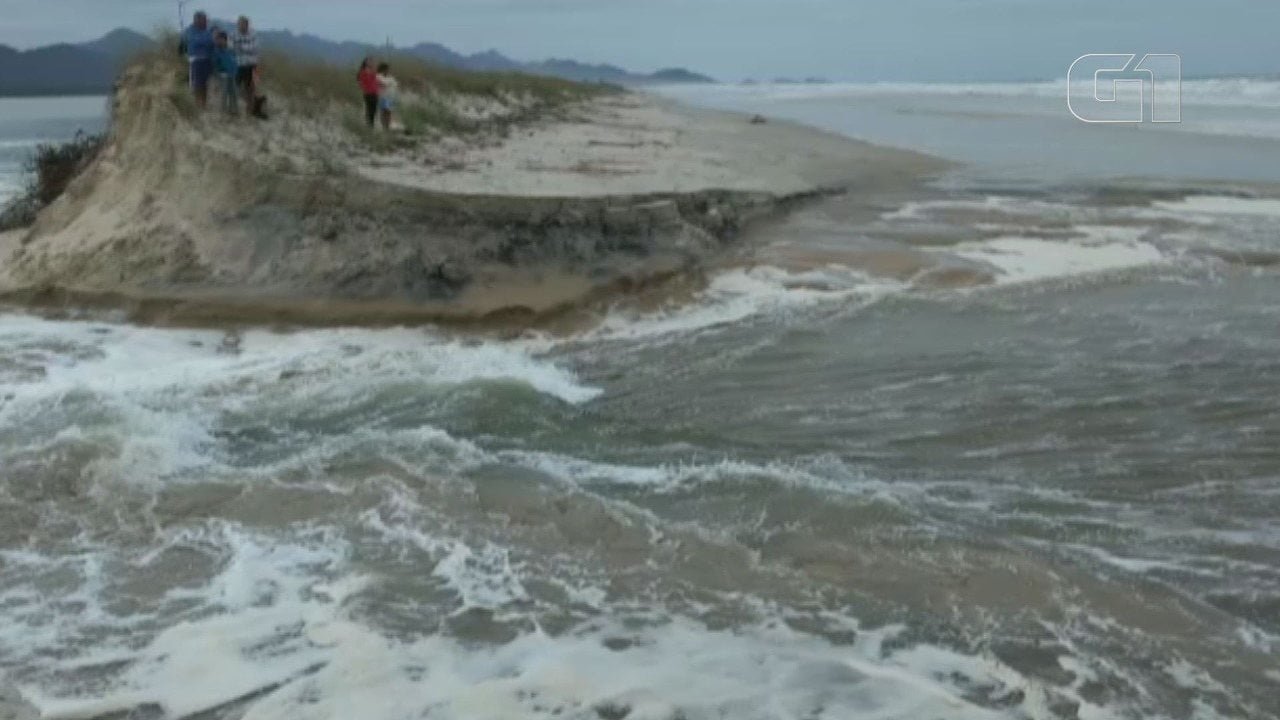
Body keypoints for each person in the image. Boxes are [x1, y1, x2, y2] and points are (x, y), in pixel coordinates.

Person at [179, 11, 215, 109]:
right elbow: (183, 46)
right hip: (196, 61)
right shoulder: (189, 31)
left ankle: (204, 103)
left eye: (206, 20)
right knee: (197, 83)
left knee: (205, 83)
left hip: (208, 60)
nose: (206, 22)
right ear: (197, 20)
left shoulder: (207, 31)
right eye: (204, 20)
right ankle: (198, 104)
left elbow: (212, 44)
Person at [232, 16, 260, 116]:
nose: (242, 26)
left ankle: (250, 111)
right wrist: (244, 48)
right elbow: (232, 48)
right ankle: (235, 109)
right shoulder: (234, 34)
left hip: (252, 65)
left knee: (251, 89)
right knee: (236, 87)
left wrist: (241, 47)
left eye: (244, 24)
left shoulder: (254, 34)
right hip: (238, 65)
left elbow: (254, 48)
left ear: (247, 25)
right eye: (240, 24)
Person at [213, 31, 239, 115]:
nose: (218, 41)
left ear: (225, 40)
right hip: (222, 75)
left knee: (233, 93)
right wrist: (217, 75)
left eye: (220, 39)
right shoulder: (216, 51)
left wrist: (235, 71)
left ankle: (234, 110)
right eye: (217, 39)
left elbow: (234, 61)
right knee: (223, 93)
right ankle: (222, 111)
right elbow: (215, 65)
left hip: (232, 74)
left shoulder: (231, 50)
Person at [357, 58, 380, 128]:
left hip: (375, 92)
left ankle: (371, 123)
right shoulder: (362, 72)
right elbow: (360, 82)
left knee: (374, 109)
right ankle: (369, 125)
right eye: (369, 61)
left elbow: (376, 80)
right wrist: (364, 89)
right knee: (369, 108)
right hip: (368, 93)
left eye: (371, 61)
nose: (371, 63)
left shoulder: (373, 71)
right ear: (365, 62)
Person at [376, 62, 398, 131]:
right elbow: (383, 84)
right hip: (383, 97)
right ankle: (384, 127)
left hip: (390, 97)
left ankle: (387, 126)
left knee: (389, 112)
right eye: (387, 69)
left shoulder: (390, 77)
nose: (388, 71)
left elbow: (395, 84)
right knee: (384, 111)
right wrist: (389, 83)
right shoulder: (378, 76)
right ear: (383, 69)